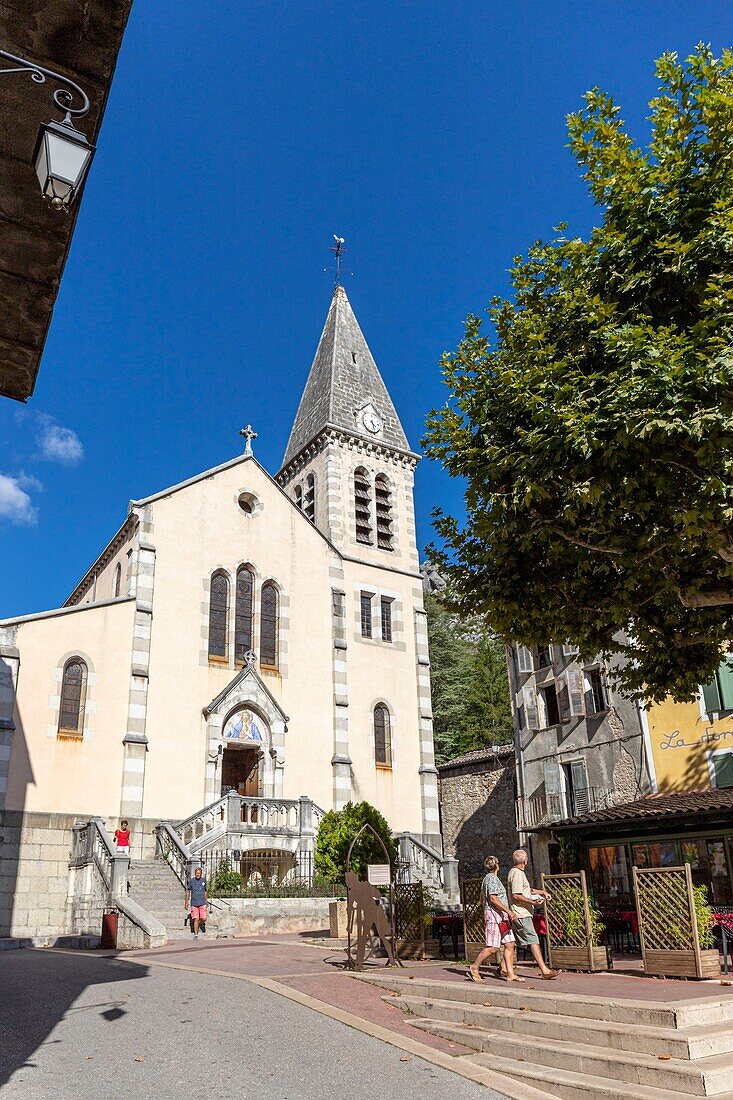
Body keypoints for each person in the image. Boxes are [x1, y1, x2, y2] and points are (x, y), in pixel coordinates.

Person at [468, 855, 523, 983]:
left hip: (499, 915)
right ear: (497, 866)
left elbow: (482, 899)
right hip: (495, 915)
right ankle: (474, 967)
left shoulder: (487, 879)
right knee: (493, 947)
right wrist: (508, 911)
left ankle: (510, 974)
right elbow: (493, 899)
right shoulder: (492, 879)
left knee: (510, 944)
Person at [507, 849, 559, 979]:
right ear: (524, 860)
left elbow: (525, 889)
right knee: (533, 940)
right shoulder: (517, 874)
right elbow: (516, 894)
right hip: (521, 913)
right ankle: (545, 971)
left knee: (513, 943)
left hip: (520, 913)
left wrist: (541, 892)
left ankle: (503, 968)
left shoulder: (517, 873)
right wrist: (532, 902)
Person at [185, 866, 208, 941]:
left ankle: (200, 924)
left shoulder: (203, 880)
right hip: (194, 903)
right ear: (195, 874)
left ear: (201, 874)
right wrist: (186, 902)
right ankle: (196, 934)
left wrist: (206, 901)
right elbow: (188, 891)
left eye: (199, 873)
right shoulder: (191, 881)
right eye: (196, 873)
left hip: (202, 902)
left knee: (203, 918)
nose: (198, 874)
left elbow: (205, 891)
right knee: (196, 918)